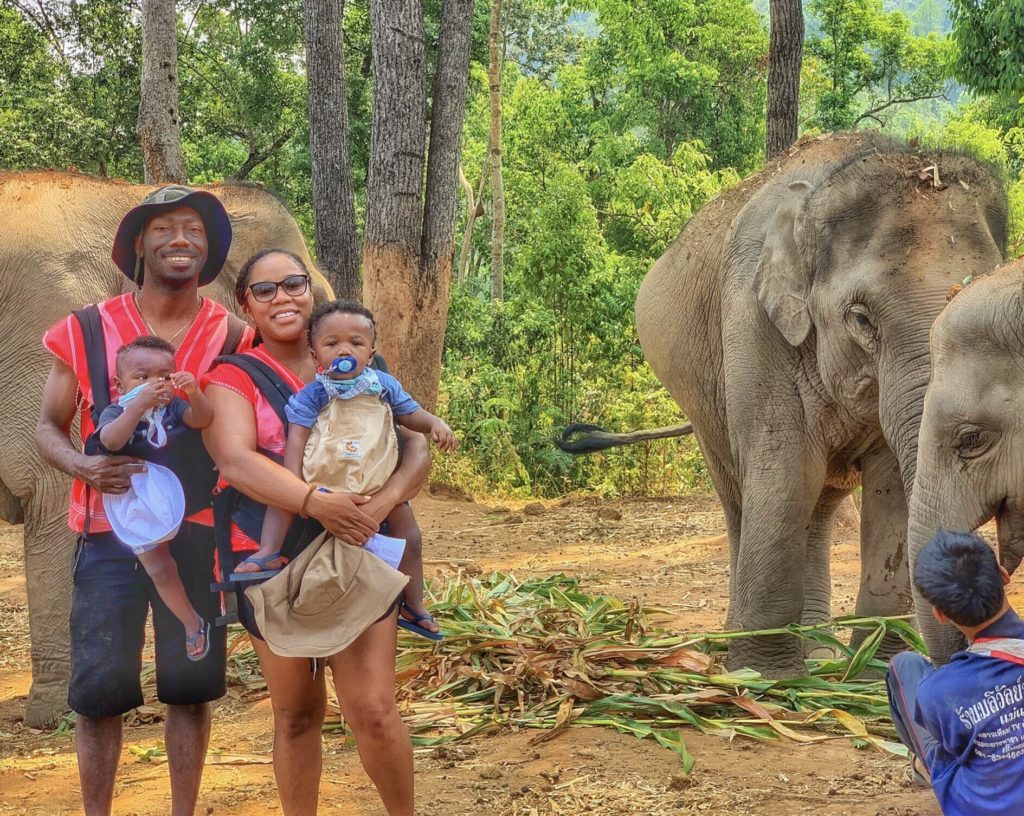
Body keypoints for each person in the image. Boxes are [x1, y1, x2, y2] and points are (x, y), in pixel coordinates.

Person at [36, 185, 252, 816]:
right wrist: (82, 463)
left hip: (198, 533)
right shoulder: (84, 328)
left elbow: (254, 420)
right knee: (99, 694)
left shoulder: (232, 333)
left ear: (209, 251)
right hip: (109, 534)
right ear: (138, 246)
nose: (179, 239)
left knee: (190, 690)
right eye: (163, 228)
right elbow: (49, 424)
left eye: (194, 229)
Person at [202, 248, 430, 816]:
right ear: (245, 305)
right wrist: (314, 502)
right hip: (270, 556)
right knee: (297, 713)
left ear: (313, 291)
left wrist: (380, 505)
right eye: (264, 290)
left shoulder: (360, 370)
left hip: (359, 545)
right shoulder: (232, 377)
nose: (282, 297)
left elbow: (416, 444)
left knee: (374, 709)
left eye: (294, 284)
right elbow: (234, 461)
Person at [237, 298, 456, 640]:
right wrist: (293, 486)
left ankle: (413, 605)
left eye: (356, 343)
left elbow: (410, 415)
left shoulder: (384, 386)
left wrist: (435, 422)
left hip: (376, 483)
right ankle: (267, 551)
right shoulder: (313, 395)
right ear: (315, 355)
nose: (345, 350)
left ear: (370, 352)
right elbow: (297, 440)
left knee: (410, 536)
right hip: (326, 485)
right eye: (331, 343)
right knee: (280, 505)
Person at [94, 335, 215, 661]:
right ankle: (192, 623)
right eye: (142, 376)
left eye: (164, 376)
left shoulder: (174, 407)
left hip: (185, 505)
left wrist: (192, 392)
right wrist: (137, 406)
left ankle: (211, 610)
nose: (154, 383)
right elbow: (112, 441)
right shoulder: (115, 410)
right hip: (140, 507)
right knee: (162, 569)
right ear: (120, 384)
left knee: (195, 561)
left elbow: (202, 419)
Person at [887, 529, 1024, 816]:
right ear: (1004, 575)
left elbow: (951, 745)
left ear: (939, 614)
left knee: (905, 666)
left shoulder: (940, 691)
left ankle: (922, 768)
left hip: (982, 808)